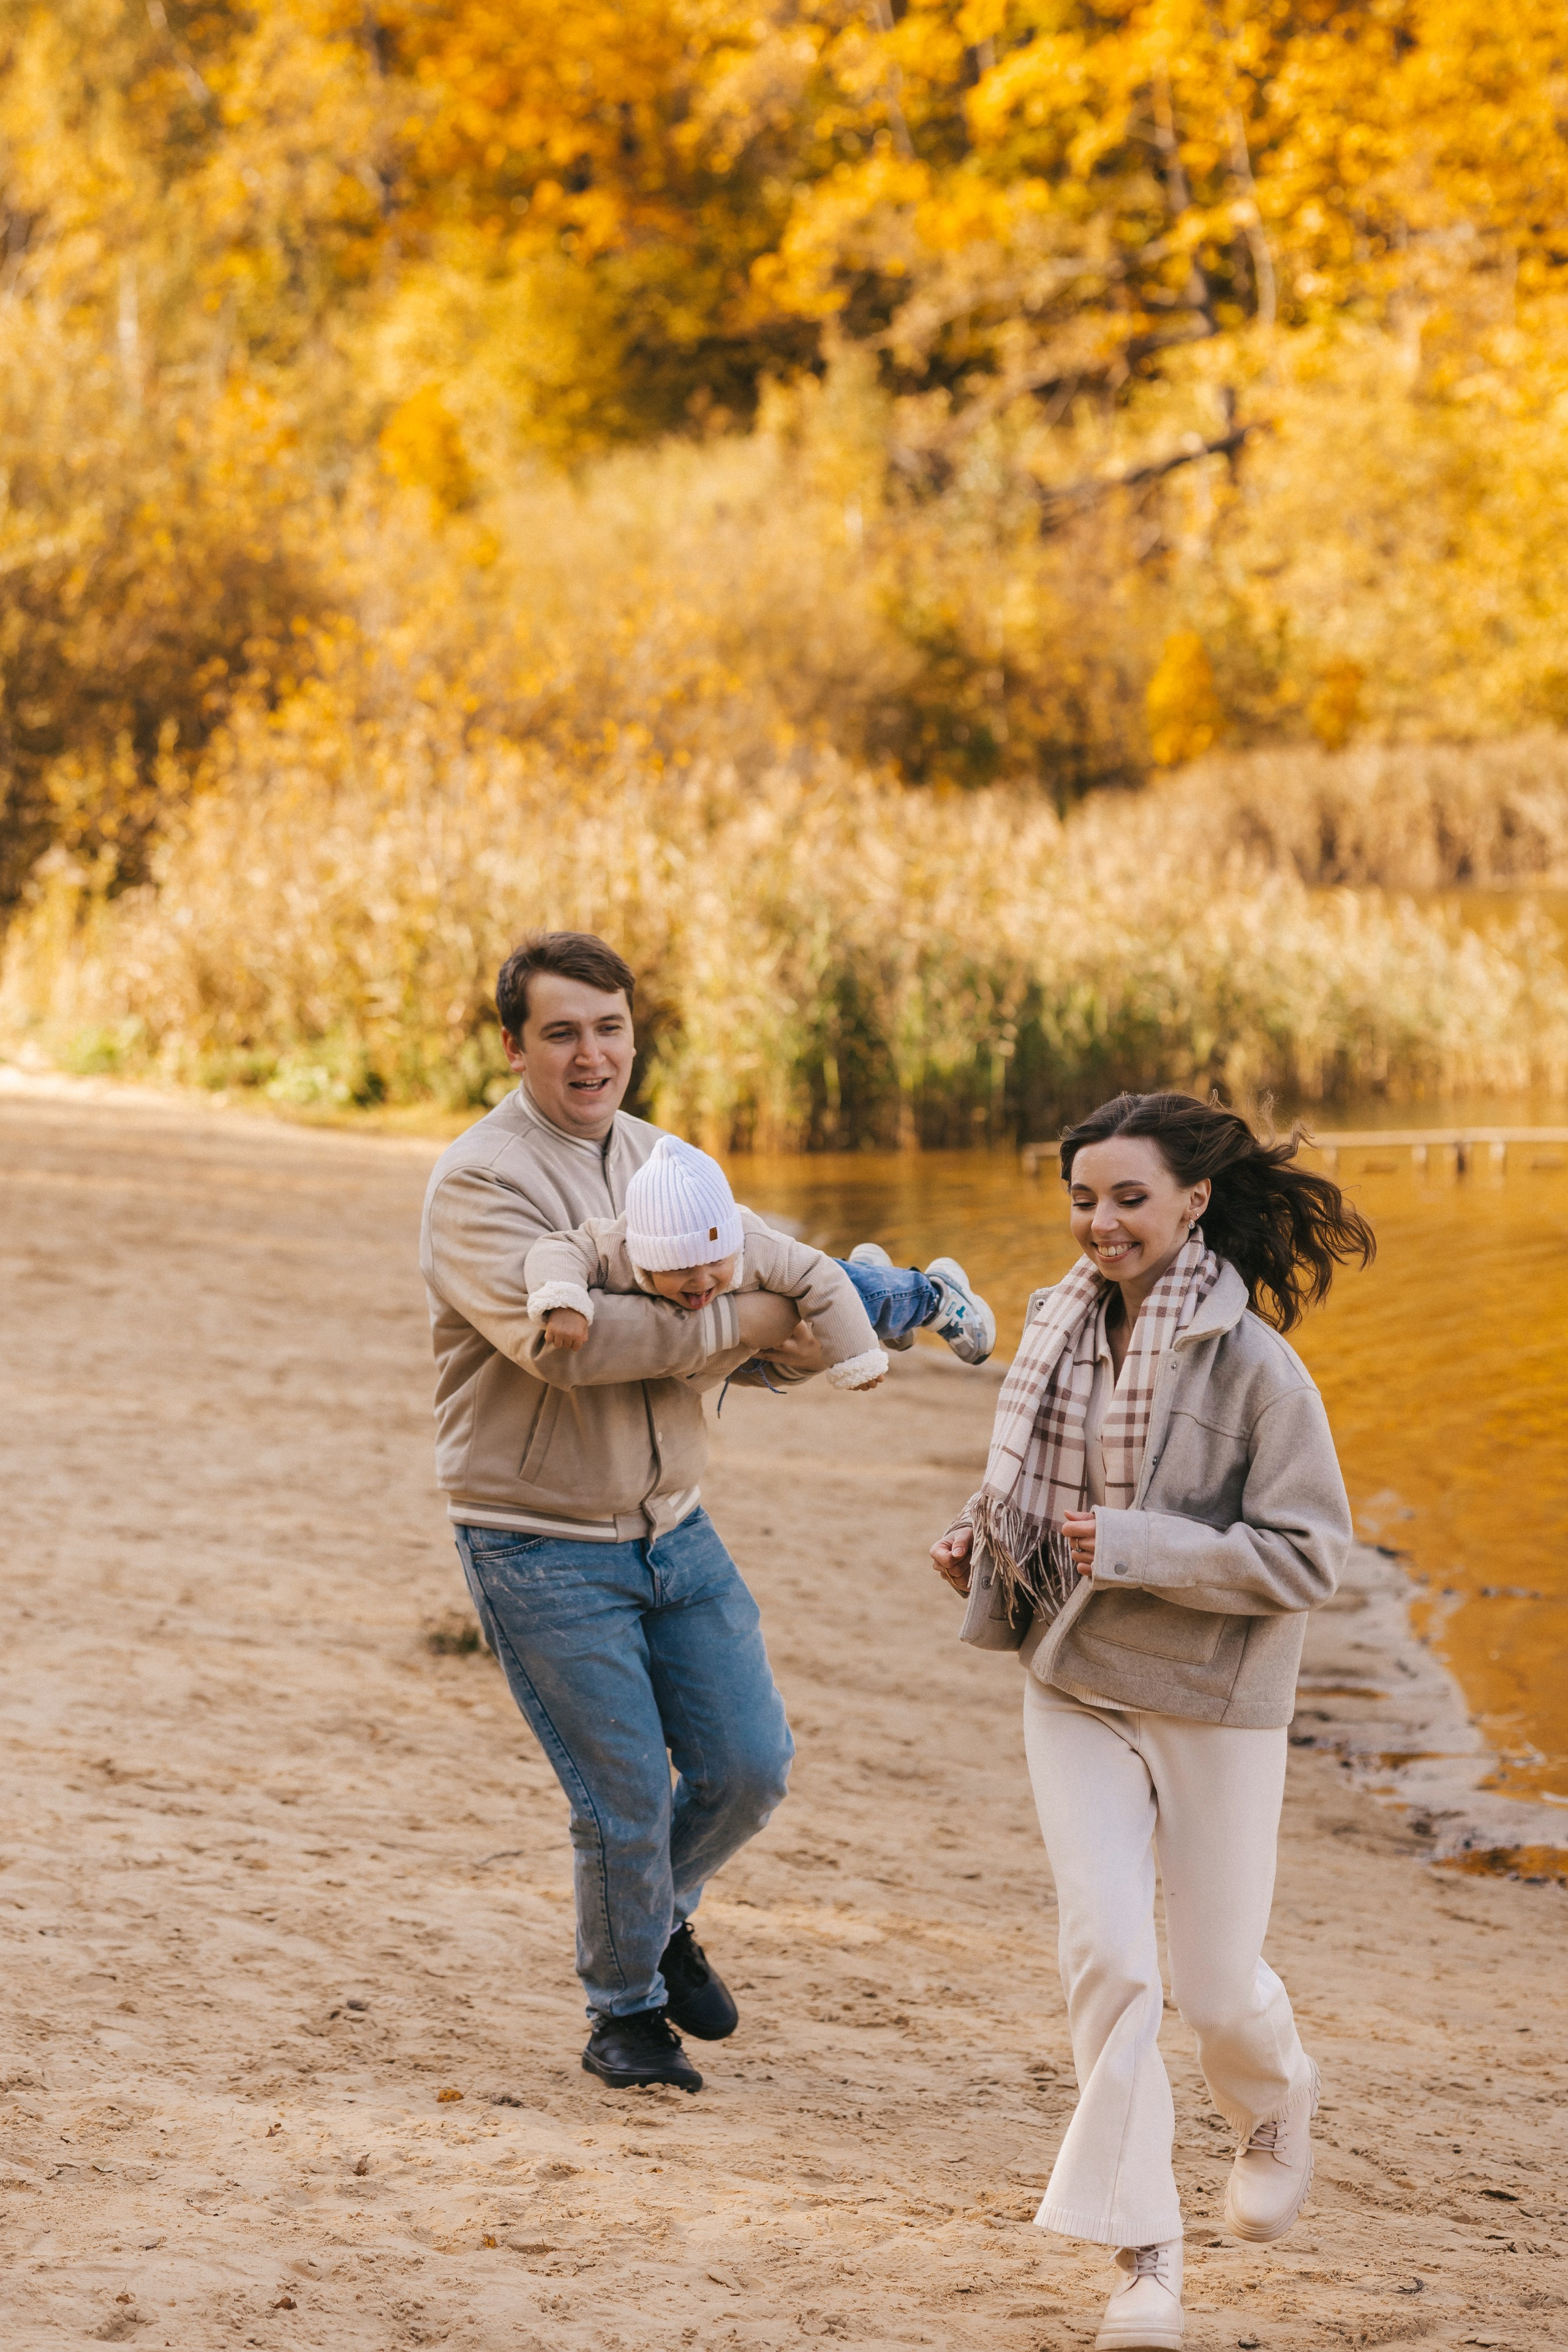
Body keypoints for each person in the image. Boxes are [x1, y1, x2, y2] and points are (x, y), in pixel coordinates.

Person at [420, 929, 990, 2098]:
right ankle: (624, 2015)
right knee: (623, 1794)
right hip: (536, 1542)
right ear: (515, 1044)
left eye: (610, 1027)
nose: (592, 1054)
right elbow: (570, 1350)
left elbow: (729, 1341)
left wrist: (797, 1333)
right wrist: (764, 1320)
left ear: (635, 1032)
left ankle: (657, 1915)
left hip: (675, 1526)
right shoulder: (478, 1182)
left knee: (750, 1767)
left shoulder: (667, 1163)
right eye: (563, 1031)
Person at [930, 1092, 1373, 2352]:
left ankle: (1276, 2101)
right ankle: (1145, 2261)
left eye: (1127, 1197)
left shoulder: (1256, 1371)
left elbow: (1306, 1561)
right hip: (1071, 1685)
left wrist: (1138, 1548)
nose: (1099, 1223)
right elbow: (1029, 1484)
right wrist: (981, 1540)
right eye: (1081, 1198)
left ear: (1192, 1203)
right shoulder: (1057, 1332)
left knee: (1217, 1988)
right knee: (1112, 1966)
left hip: (1213, 1701)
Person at [524, 1131, 995, 1385]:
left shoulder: (755, 1246)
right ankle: (883, 1294)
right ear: (645, 1258)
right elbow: (558, 1248)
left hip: (800, 1283)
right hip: (733, 1344)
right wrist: (564, 1300)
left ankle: (934, 1297)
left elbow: (822, 1280)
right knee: (774, 1344)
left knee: (855, 1294)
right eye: (679, 1268)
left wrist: (856, 1362)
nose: (701, 1280)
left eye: (714, 1261)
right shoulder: (618, 1248)